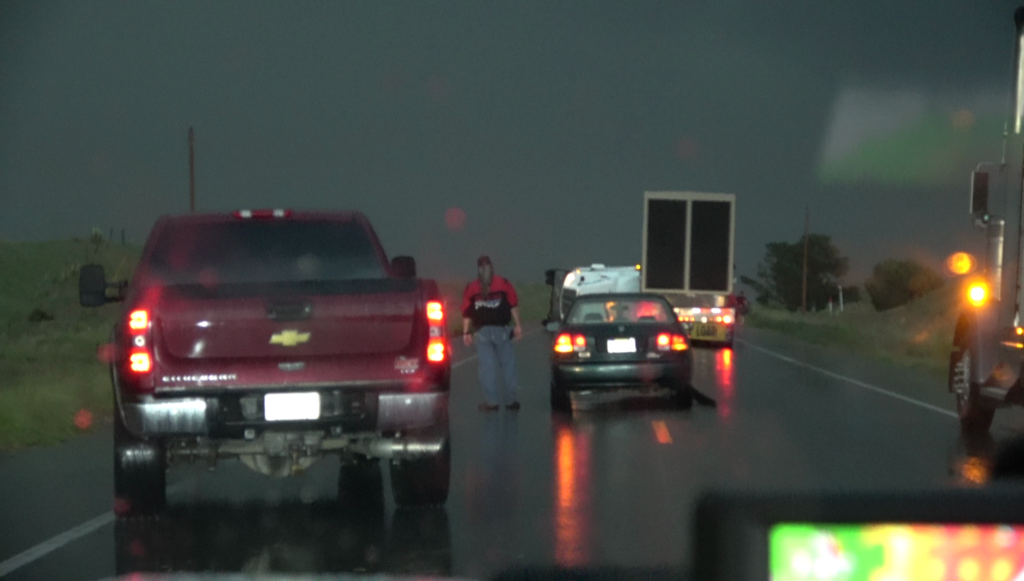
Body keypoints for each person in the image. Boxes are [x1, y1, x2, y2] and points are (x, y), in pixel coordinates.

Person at [462, 256, 523, 411]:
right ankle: (511, 401)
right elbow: (513, 305)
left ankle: (492, 402)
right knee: (508, 366)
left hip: (482, 332)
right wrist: (518, 326)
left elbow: (467, 312)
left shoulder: (472, 288)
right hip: (502, 330)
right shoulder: (504, 283)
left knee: (487, 368)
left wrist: (466, 332)